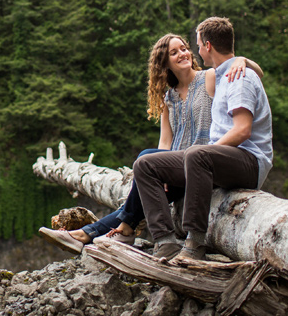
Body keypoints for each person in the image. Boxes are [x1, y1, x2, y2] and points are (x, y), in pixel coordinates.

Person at [38, 32, 262, 254]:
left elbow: (253, 74)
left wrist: (242, 60)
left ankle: (92, 233)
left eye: (184, 48)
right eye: (174, 52)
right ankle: (96, 233)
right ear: (164, 63)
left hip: (202, 166)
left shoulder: (209, 78)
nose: (182, 54)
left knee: (140, 177)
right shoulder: (169, 98)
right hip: (177, 169)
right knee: (144, 168)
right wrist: (162, 173)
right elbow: (165, 142)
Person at [132, 17, 273, 263]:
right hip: (217, 160)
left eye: (197, 45)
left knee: (198, 153)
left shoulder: (240, 77)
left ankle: (195, 242)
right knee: (145, 164)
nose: (195, 51)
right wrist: (243, 59)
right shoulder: (221, 75)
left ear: (207, 46)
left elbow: (242, 131)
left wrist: (203, 153)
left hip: (250, 161)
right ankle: (165, 242)